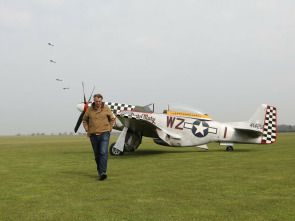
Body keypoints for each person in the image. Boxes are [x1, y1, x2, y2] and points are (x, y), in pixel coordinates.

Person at [83, 94, 114, 181]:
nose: (98, 103)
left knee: (103, 152)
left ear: (102, 101)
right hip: (93, 135)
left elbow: (112, 119)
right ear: (94, 101)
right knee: (97, 155)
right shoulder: (89, 109)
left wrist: (110, 129)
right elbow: (84, 120)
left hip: (105, 133)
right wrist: (87, 130)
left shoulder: (106, 108)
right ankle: (100, 172)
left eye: (100, 101)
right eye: (97, 101)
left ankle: (103, 172)